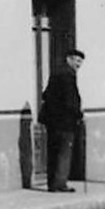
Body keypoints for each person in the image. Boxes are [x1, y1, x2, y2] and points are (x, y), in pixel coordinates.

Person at [40, 49, 86, 192]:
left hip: (52, 120)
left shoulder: (56, 73)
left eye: (80, 62)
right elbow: (70, 100)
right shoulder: (69, 75)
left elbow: (46, 94)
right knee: (64, 152)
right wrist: (78, 114)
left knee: (53, 151)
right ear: (69, 59)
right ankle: (60, 183)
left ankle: (52, 183)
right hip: (65, 121)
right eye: (77, 61)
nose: (79, 65)